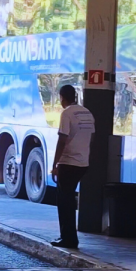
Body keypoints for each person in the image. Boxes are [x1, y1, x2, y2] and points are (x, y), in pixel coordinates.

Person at [50, 84, 95, 249]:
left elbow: (62, 139)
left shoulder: (67, 113)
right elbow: (91, 138)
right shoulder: (87, 112)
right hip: (83, 163)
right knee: (69, 199)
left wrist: (55, 164)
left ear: (62, 97)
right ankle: (70, 237)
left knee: (64, 202)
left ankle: (68, 239)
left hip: (68, 163)